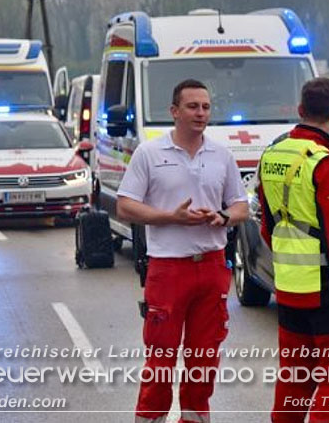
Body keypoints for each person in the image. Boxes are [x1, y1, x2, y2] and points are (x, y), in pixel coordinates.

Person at [117, 79, 249, 423]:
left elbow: (241, 206)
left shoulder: (222, 155)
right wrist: (169, 217)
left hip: (211, 267)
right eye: (192, 106)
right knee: (161, 360)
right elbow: (125, 206)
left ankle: (192, 418)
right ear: (174, 112)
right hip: (168, 269)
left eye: (205, 107)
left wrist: (222, 217)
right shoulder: (149, 153)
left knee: (203, 360)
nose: (200, 113)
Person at [258, 78, 329, 423]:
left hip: (288, 285)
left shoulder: (271, 154)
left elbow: (267, 224)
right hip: (327, 289)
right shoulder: (326, 163)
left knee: (294, 378)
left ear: (300, 110)